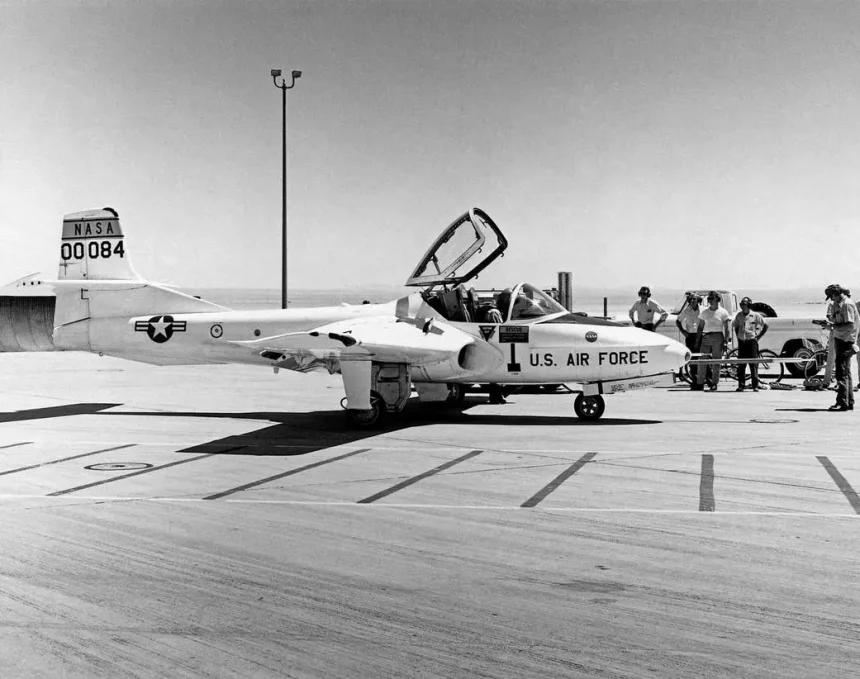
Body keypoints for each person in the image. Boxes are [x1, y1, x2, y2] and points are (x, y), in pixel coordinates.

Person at [826, 284, 857, 411]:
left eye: (832, 296)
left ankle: (842, 402)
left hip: (845, 340)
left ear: (836, 293)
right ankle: (848, 401)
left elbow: (849, 325)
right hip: (841, 338)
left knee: (841, 372)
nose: (832, 300)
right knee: (846, 372)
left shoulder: (847, 304)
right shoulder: (839, 304)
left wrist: (833, 327)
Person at [694, 291, 731, 391]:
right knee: (702, 361)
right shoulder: (704, 312)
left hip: (718, 337)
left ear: (717, 299)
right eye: (709, 299)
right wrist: (697, 341)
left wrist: (725, 342)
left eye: (712, 298)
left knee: (716, 362)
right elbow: (700, 327)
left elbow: (727, 328)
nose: (710, 300)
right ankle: (700, 383)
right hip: (706, 337)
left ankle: (714, 383)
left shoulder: (723, 312)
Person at [733, 296, 769, 392]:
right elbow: (735, 326)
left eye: (744, 304)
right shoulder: (739, 316)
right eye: (741, 304)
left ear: (748, 305)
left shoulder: (755, 315)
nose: (742, 306)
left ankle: (755, 386)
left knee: (753, 364)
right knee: (741, 365)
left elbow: (765, 325)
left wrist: (758, 337)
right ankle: (741, 385)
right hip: (742, 341)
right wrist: (738, 336)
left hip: (752, 341)